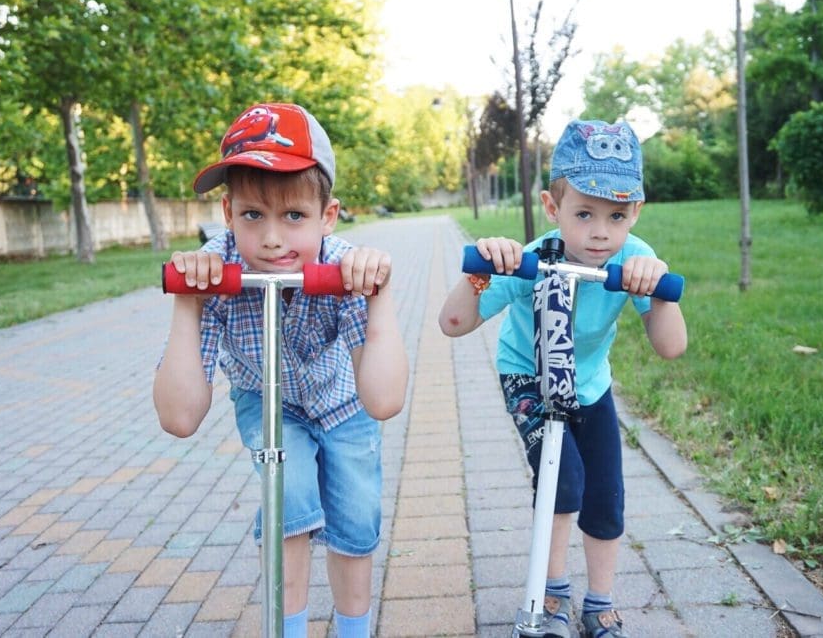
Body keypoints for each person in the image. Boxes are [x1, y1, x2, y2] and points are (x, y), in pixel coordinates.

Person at [153, 102, 408, 638]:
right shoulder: (217, 268)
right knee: (288, 507)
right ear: (227, 213)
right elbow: (179, 417)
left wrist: (377, 296)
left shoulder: (342, 267)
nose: (272, 238)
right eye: (253, 215)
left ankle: (353, 631)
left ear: (328, 216)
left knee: (356, 521)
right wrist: (188, 299)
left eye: (293, 216)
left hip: (345, 403)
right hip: (267, 402)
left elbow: (383, 400)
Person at [439, 119, 687, 638]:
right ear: (554, 210)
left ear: (635, 212)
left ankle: (600, 603)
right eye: (584, 213)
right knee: (563, 478)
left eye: (617, 215)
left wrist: (659, 290)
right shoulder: (535, 257)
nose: (601, 230)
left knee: (605, 492)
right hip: (528, 374)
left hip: (589, 383)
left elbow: (671, 347)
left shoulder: (635, 258)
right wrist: (482, 271)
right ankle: (549, 595)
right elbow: (453, 324)